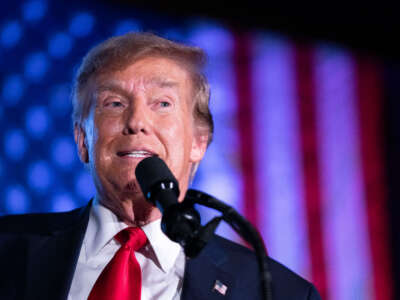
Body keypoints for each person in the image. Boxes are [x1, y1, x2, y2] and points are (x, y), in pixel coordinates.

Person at [0, 32, 321, 300]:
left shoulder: (277, 292)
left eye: (162, 104)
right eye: (114, 103)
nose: (137, 121)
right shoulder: (8, 249)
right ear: (83, 139)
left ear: (198, 142)